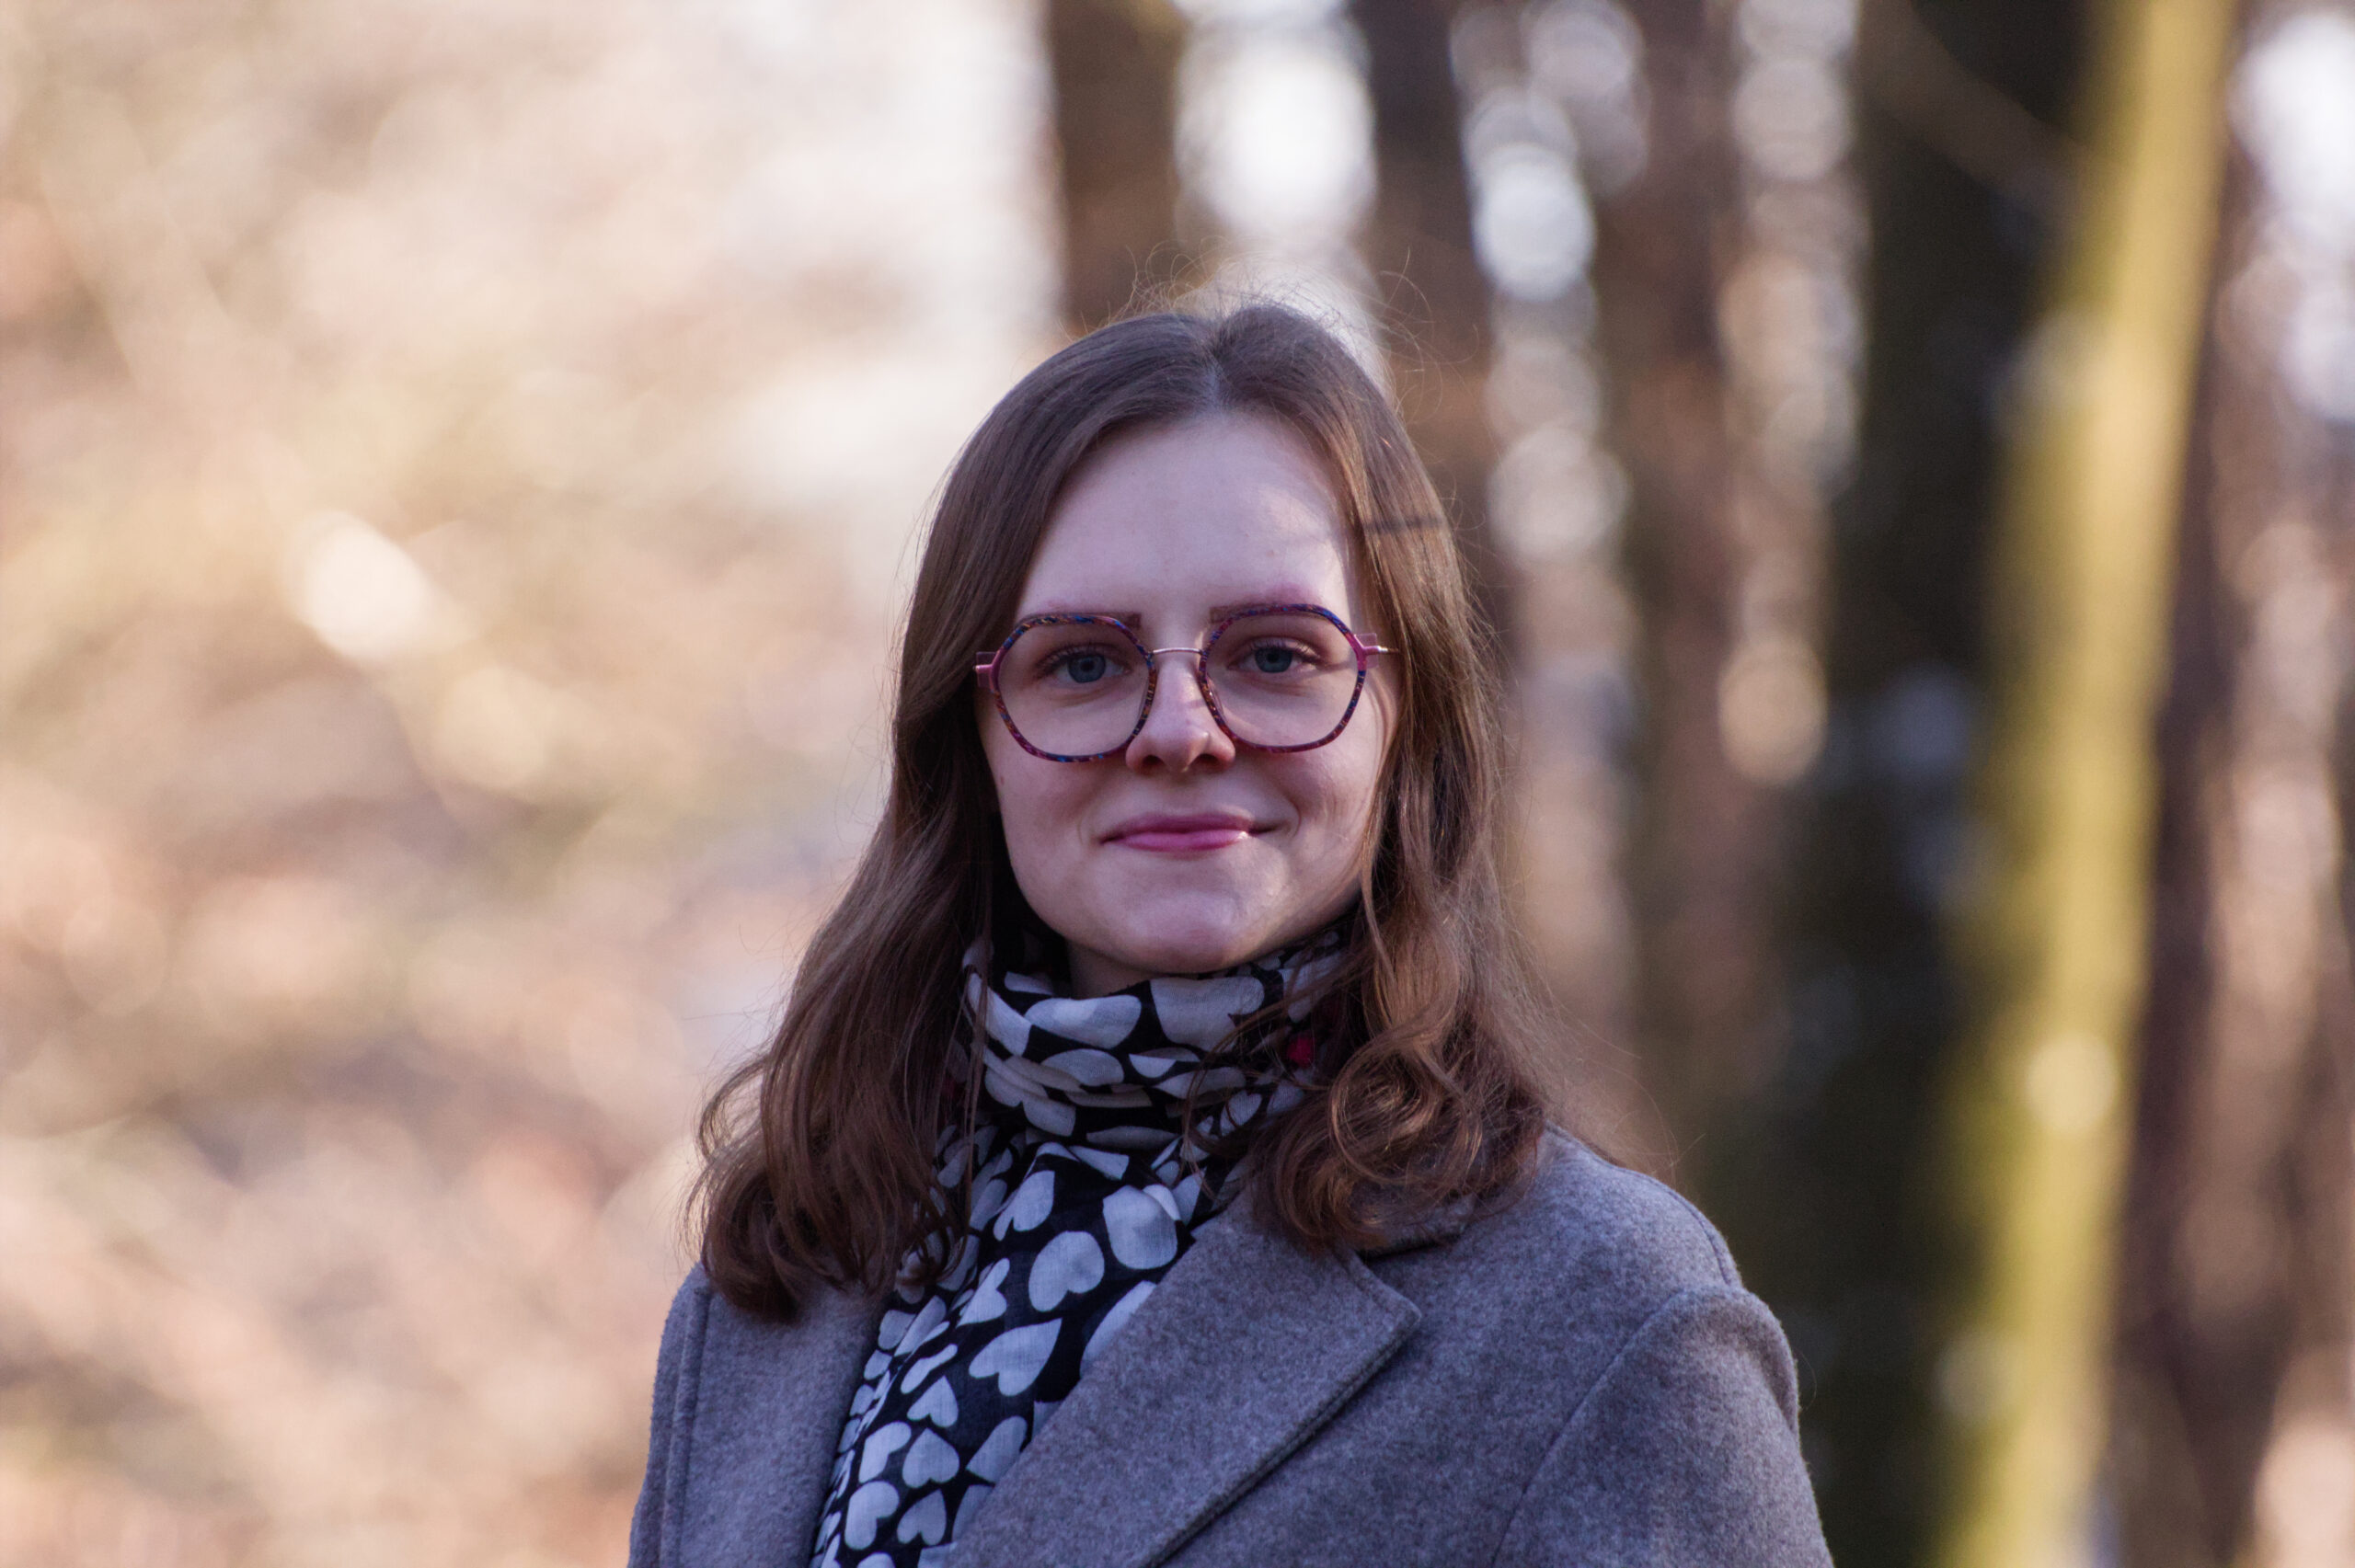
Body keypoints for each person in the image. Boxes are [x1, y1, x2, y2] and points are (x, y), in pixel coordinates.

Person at [627, 303, 1833, 1568]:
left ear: (1405, 720)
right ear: (967, 739)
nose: (1180, 730)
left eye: (1274, 655)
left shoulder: (1603, 1323)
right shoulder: (780, 1281)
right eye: (1081, 663)